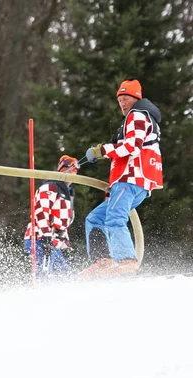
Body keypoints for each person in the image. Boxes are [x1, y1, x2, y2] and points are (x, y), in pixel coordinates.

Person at [80, 79, 163, 278]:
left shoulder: (138, 115)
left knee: (115, 218)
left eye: (126, 98)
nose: (122, 103)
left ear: (136, 98)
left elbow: (132, 146)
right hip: (127, 180)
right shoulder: (134, 118)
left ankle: (126, 261)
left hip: (133, 178)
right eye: (119, 100)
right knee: (95, 218)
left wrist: (102, 150)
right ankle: (103, 261)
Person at [24, 156, 80, 280]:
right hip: (39, 239)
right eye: (71, 169)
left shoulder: (67, 193)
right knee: (45, 275)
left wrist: (66, 246)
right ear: (62, 169)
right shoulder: (50, 187)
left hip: (55, 243)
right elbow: (40, 211)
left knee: (66, 277)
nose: (74, 172)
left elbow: (62, 223)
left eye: (76, 170)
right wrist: (45, 237)